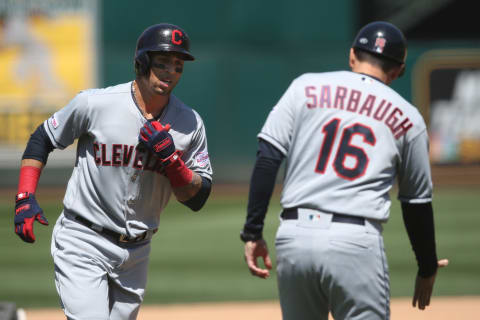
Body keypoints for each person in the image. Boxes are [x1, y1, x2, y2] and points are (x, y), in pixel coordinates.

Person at [240, 21, 448, 320]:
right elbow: (416, 202)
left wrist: (253, 231)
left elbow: (268, 157)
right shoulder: (408, 118)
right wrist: (426, 266)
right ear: (400, 70)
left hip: (294, 236)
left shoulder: (305, 86)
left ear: (352, 56)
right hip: (354, 240)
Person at [13, 23, 212, 320]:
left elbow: (197, 197)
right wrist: (25, 195)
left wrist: (173, 162)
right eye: (162, 62)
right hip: (83, 239)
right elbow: (42, 138)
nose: (170, 71)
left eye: (178, 65)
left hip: (137, 253)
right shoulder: (96, 104)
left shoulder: (189, 123)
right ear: (141, 63)